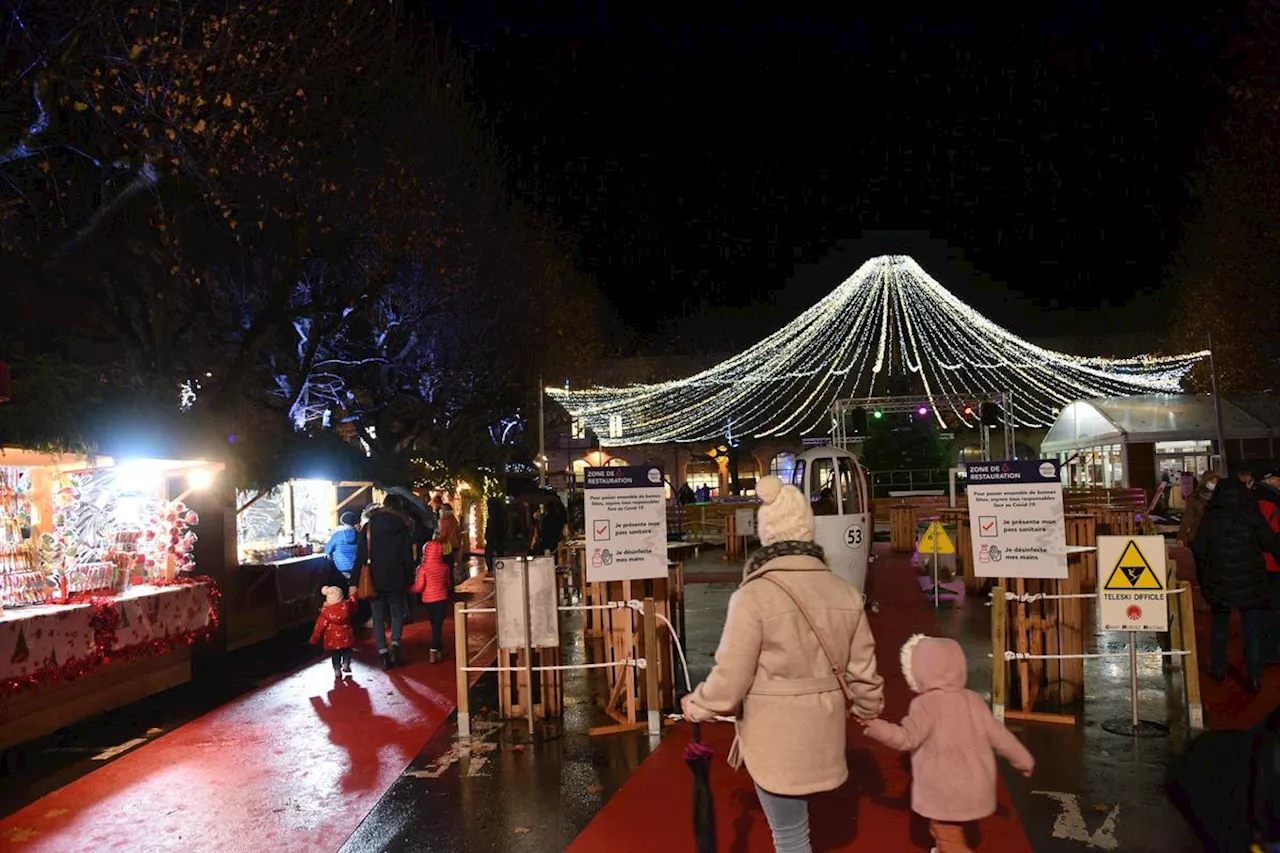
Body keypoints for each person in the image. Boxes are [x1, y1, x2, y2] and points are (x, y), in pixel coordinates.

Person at [681, 474, 885, 853]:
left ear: (768, 533)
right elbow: (864, 671)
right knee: (796, 832)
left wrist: (698, 704)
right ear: (808, 531)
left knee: (791, 837)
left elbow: (729, 681)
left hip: (774, 737)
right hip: (824, 733)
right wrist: (869, 708)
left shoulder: (753, 596)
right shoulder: (844, 592)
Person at [863, 635, 1034, 853]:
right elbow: (999, 736)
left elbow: (906, 738)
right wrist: (1023, 760)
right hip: (974, 785)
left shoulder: (925, 705)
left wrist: (874, 727)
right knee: (942, 830)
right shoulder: (974, 700)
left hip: (943, 790)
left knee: (950, 838)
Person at [1193, 476, 1280, 693]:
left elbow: (1199, 548)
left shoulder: (1211, 517)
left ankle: (1219, 669)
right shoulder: (1251, 515)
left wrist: (1205, 577)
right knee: (1251, 629)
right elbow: (1270, 543)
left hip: (1219, 580)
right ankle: (1254, 677)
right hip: (1251, 581)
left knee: (1219, 625)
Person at [352, 500, 415, 670]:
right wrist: (410, 579)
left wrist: (353, 582)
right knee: (397, 612)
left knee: (378, 616)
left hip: (374, 578)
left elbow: (360, 557)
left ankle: (383, 654)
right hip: (398, 577)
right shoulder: (402, 528)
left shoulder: (369, 528)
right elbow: (408, 557)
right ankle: (395, 645)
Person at [411, 532, 452, 662]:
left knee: (434, 624)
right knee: (437, 625)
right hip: (442, 599)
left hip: (428, 601)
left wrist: (409, 589)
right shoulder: (444, 567)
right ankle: (436, 648)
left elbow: (419, 587)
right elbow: (448, 583)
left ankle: (436, 649)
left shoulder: (422, 569)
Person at [1257, 467, 1280, 662]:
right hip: (1273, 564)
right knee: (1273, 609)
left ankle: (1262, 648)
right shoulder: (1272, 503)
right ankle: (1269, 650)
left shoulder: (1252, 500)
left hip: (1258, 564)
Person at [310, 585, 357, 678]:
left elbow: (319, 627)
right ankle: (346, 663)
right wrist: (353, 595)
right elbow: (354, 604)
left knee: (335, 654)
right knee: (347, 650)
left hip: (332, 640)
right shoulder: (347, 607)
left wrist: (314, 639)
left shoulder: (325, 613)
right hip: (346, 637)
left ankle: (337, 670)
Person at [324, 511, 360, 581]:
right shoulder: (358, 535)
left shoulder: (337, 535)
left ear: (342, 522)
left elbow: (328, 549)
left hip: (340, 567)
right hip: (355, 566)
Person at [438, 502, 462, 580]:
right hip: (456, 545)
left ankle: (447, 585)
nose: (440, 511)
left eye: (441, 509)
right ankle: (451, 583)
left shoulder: (444, 520)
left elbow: (443, 535)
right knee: (451, 566)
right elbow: (459, 533)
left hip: (447, 546)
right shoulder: (454, 519)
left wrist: (437, 541)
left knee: (446, 566)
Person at [484, 496, 507, 574]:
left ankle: (493, 571)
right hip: (498, 540)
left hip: (494, 540)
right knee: (497, 556)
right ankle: (496, 570)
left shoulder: (493, 517)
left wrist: (489, 538)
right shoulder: (501, 515)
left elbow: (492, 530)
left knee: (490, 556)